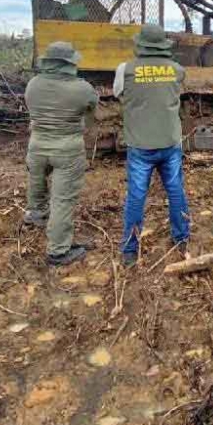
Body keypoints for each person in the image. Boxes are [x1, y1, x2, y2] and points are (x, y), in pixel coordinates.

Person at [114, 24, 190, 267]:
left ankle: (129, 250)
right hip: (170, 143)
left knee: (137, 195)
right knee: (175, 190)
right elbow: (176, 93)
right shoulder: (177, 70)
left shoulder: (125, 69)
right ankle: (182, 238)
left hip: (140, 145)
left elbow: (118, 94)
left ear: (141, 45)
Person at [24, 41, 99, 266]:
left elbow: (31, 110)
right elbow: (92, 110)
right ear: (70, 63)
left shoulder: (33, 84)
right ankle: (58, 251)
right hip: (67, 148)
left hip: (36, 145)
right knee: (62, 200)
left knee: (36, 180)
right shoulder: (82, 88)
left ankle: (35, 215)